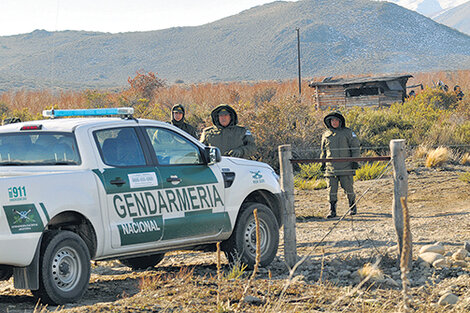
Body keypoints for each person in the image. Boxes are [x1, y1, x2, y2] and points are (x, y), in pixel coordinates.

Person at [320, 111, 360, 218]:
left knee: (348, 188)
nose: (334, 122)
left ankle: (352, 207)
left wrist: (355, 161)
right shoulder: (326, 134)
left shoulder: (348, 133)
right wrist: (322, 163)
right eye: (332, 120)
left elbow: (355, 148)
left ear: (340, 121)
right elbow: (323, 151)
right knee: (331, 190)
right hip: (330, 167)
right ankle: (332, 211)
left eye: (336, 120)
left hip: (345, 166)